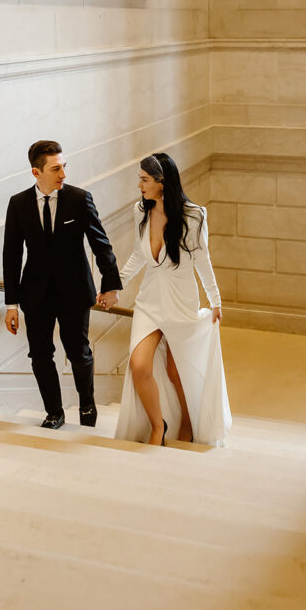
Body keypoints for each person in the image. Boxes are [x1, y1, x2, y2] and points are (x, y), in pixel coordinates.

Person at [98, 153, 232, 446]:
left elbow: (202, 261)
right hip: (149, 302)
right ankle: (158, 426)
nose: (139, 185)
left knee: (176, 370)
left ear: (162, 182)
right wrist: (113, 286)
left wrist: (215, 299)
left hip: (180, 302)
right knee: (139, 365)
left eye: (144, 180)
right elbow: (138, 254)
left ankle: (188, 421)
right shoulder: (140, 211)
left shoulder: (194, 215)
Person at [3, 140, 122, 429]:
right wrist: (11, 304)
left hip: (75, 292)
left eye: (64, 167)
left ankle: (87, 406)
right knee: (41, 356)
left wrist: (111, 285)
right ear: (36, 172)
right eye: (56, 169)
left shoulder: (80, 200)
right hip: (36, 295)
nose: (63, 175)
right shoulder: (18, 204)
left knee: (79, 353)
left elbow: (101, 244)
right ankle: (54, 412)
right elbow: (12, 254)